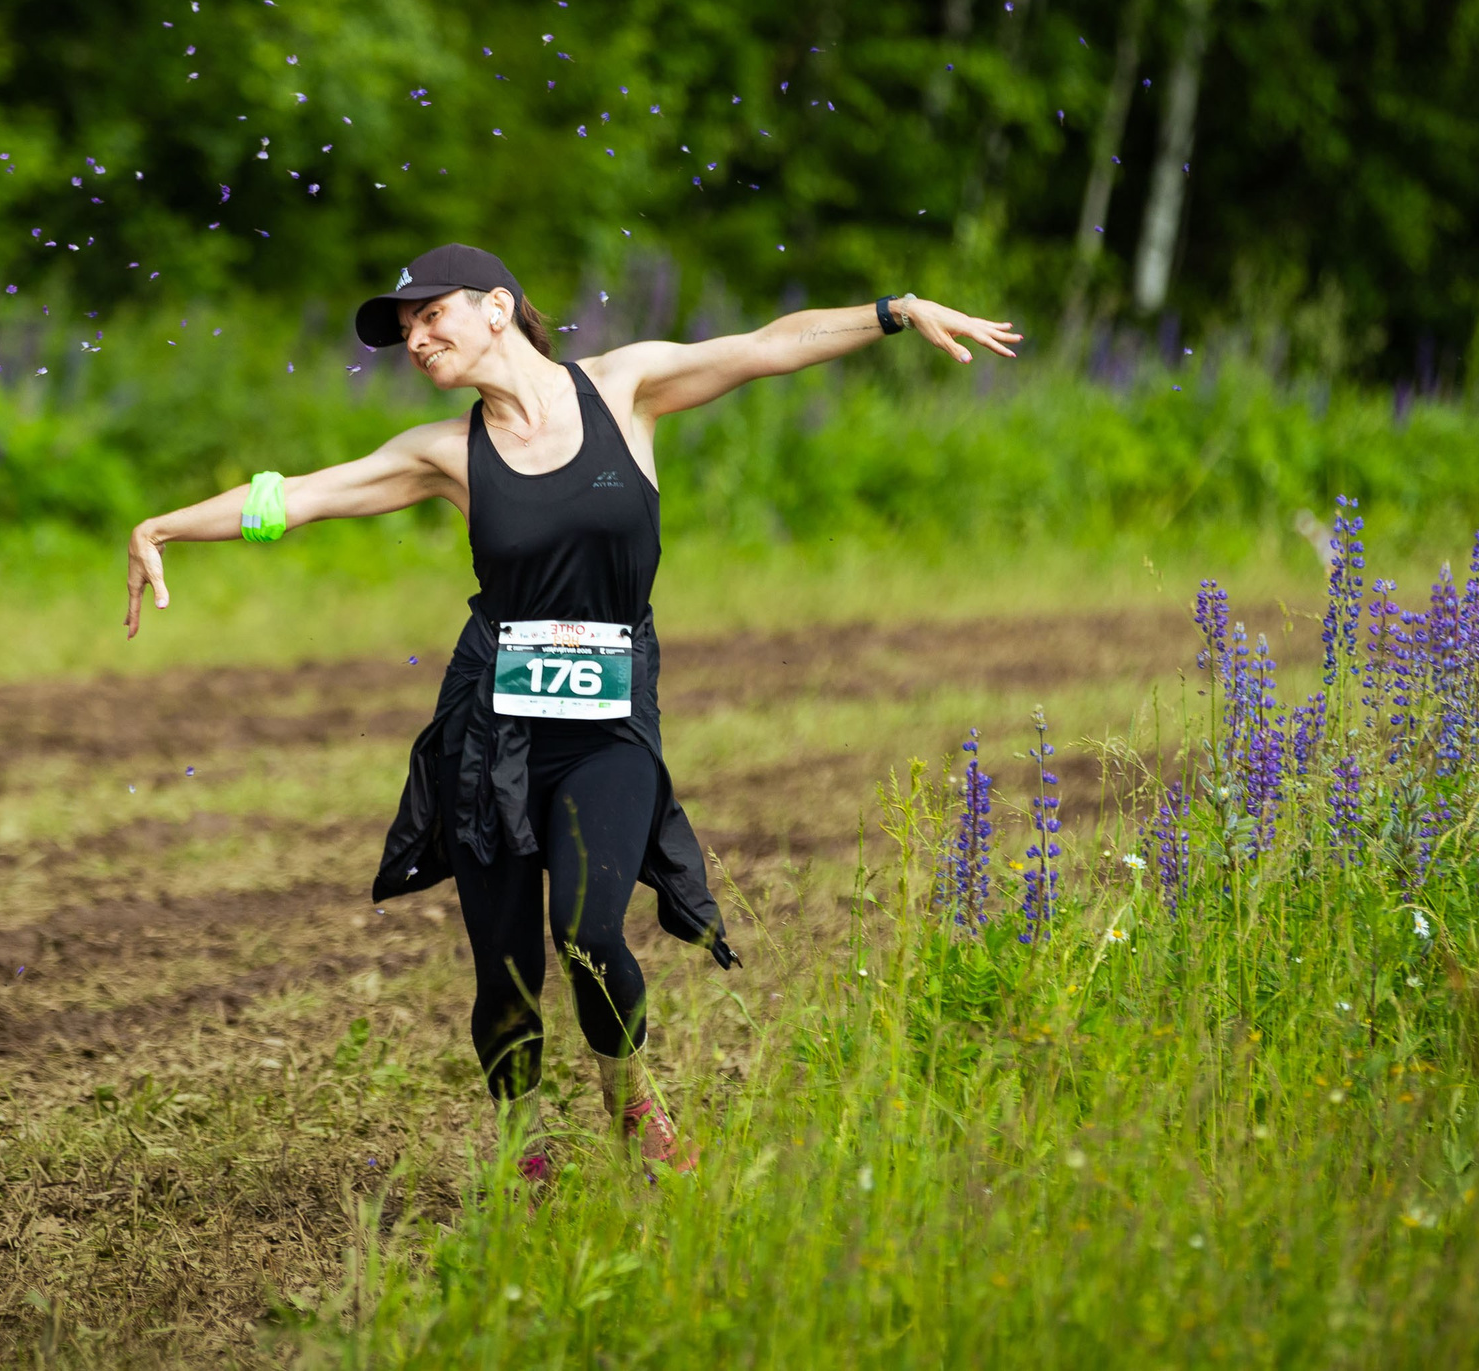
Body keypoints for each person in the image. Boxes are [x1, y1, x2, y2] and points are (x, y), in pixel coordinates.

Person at [125, 244, 1019, 1176]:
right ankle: (527, 1152)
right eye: (404, 330)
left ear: (499, 307)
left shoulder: (624, 390)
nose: (417, 338)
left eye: (433, 315)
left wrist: (893, 310)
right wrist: (163, 527)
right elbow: (296, 498)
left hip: (609, 728)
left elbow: (764, 345)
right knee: (505, 976)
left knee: (590, 934)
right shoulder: (444, 452)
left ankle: (629, 1094)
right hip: (493, 733)